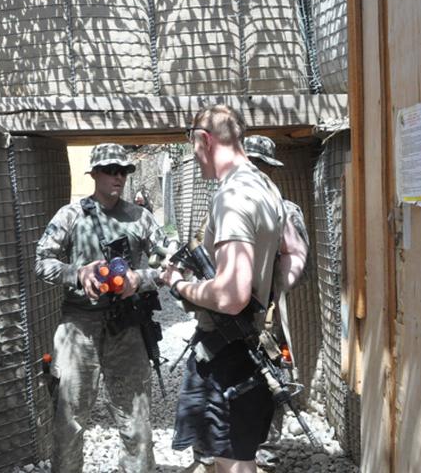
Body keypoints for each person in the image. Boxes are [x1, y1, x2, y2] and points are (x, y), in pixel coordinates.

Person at [162, 106, 285, 473]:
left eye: (192, 146)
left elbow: (231, 297)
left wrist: (181, 285)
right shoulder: (265, 186)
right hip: (248, 345)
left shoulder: (232, 198)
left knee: (232, 463)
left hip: (229, 354)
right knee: (231, 457)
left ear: (204, 140)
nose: (193, 157)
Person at [35, 143, 169, 473]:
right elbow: (41, 261)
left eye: (123, 170)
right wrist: (77, 274)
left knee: (136, 419)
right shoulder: (71, 215)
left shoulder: (140, 217)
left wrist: (139, 279)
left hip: (127, 325)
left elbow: (173, 264)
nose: (117, 176)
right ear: (93, 173)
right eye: (110, 170)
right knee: (69, 419)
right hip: (79, 326)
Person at [244, 135, 310, 471]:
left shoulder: (285, 211)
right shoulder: (227, 206)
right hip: (226, 315)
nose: (255, 171)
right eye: (250, 164)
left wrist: (268, 286)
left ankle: (265, 455)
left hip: (266, 316)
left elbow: (299, 262)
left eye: (261, 166)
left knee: (272, 381)